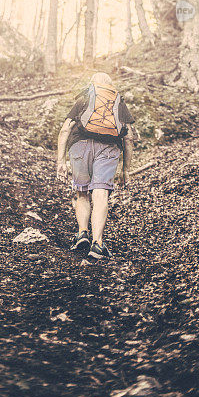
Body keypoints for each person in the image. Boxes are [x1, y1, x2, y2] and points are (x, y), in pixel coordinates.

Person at [56, 72, 134, 260]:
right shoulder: (118, 102)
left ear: (93, 84)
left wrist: (60, 160)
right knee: (100, 193)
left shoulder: (85, 97)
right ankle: (97, 243)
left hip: (79, 146)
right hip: (108, 148)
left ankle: (82, 232)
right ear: (110, 85)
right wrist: (126, 169)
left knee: (82, 193)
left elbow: (65, 128)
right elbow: (129, 137)